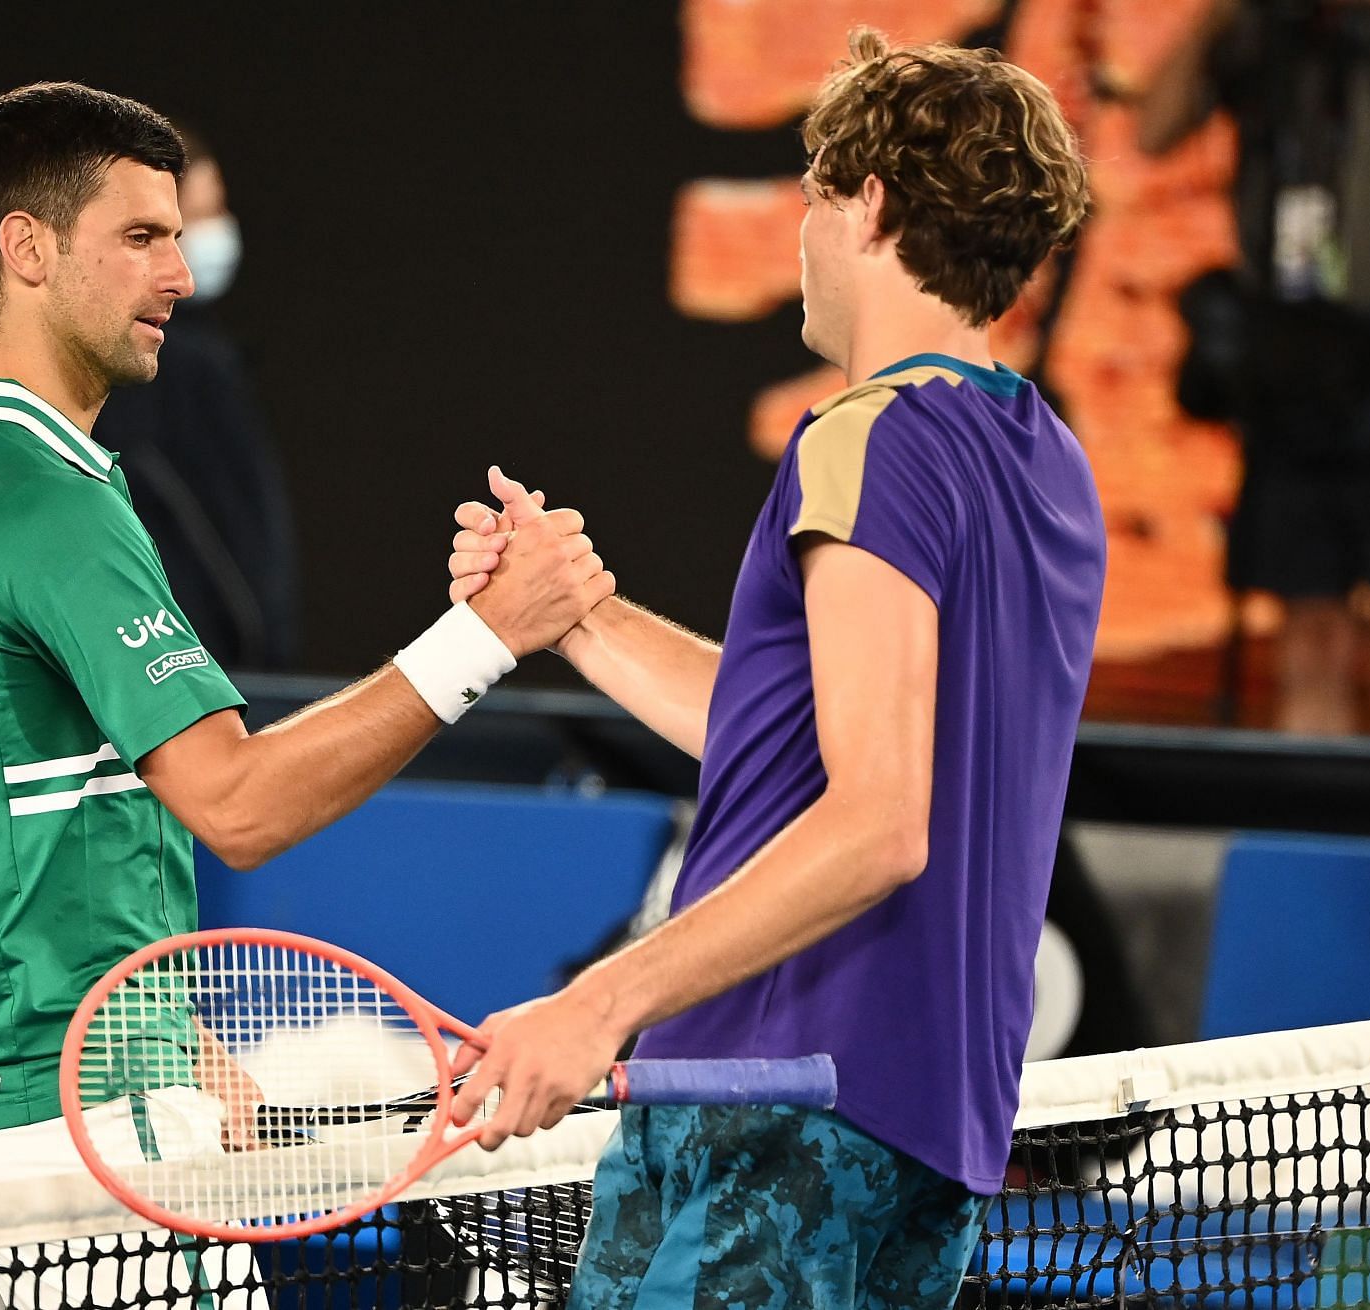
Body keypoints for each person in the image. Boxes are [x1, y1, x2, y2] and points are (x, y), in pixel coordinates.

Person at [0, 79, 612, 1286]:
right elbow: (240, 802)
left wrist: (182, 1036)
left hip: (13, 1089)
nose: (181, 276)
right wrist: (484, 634)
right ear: (28, 249)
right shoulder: (43, 504)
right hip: (66, 1125)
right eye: (142, 238)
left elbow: (32, 836)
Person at [444, 29, 1102, 1309]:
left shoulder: (867, 438)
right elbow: (798, 746)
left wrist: (596, 1005)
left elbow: (875, 824)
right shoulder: (1044, 460)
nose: (800, 226)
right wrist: (582, 614)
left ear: (871, 205)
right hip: (927, 1133)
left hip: (768, 1103)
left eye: (813, 191)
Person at [1138, 0, 1370, 740]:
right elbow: (1152, 128)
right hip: (1291, 375)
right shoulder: (1271, 29)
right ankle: (1308, 840)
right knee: (1308, 635)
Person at [94, 131, 299, 670]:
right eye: (199, 215)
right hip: (187, 683)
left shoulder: (207, 356)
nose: (216, 232)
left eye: (218, 209)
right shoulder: (155, 369)